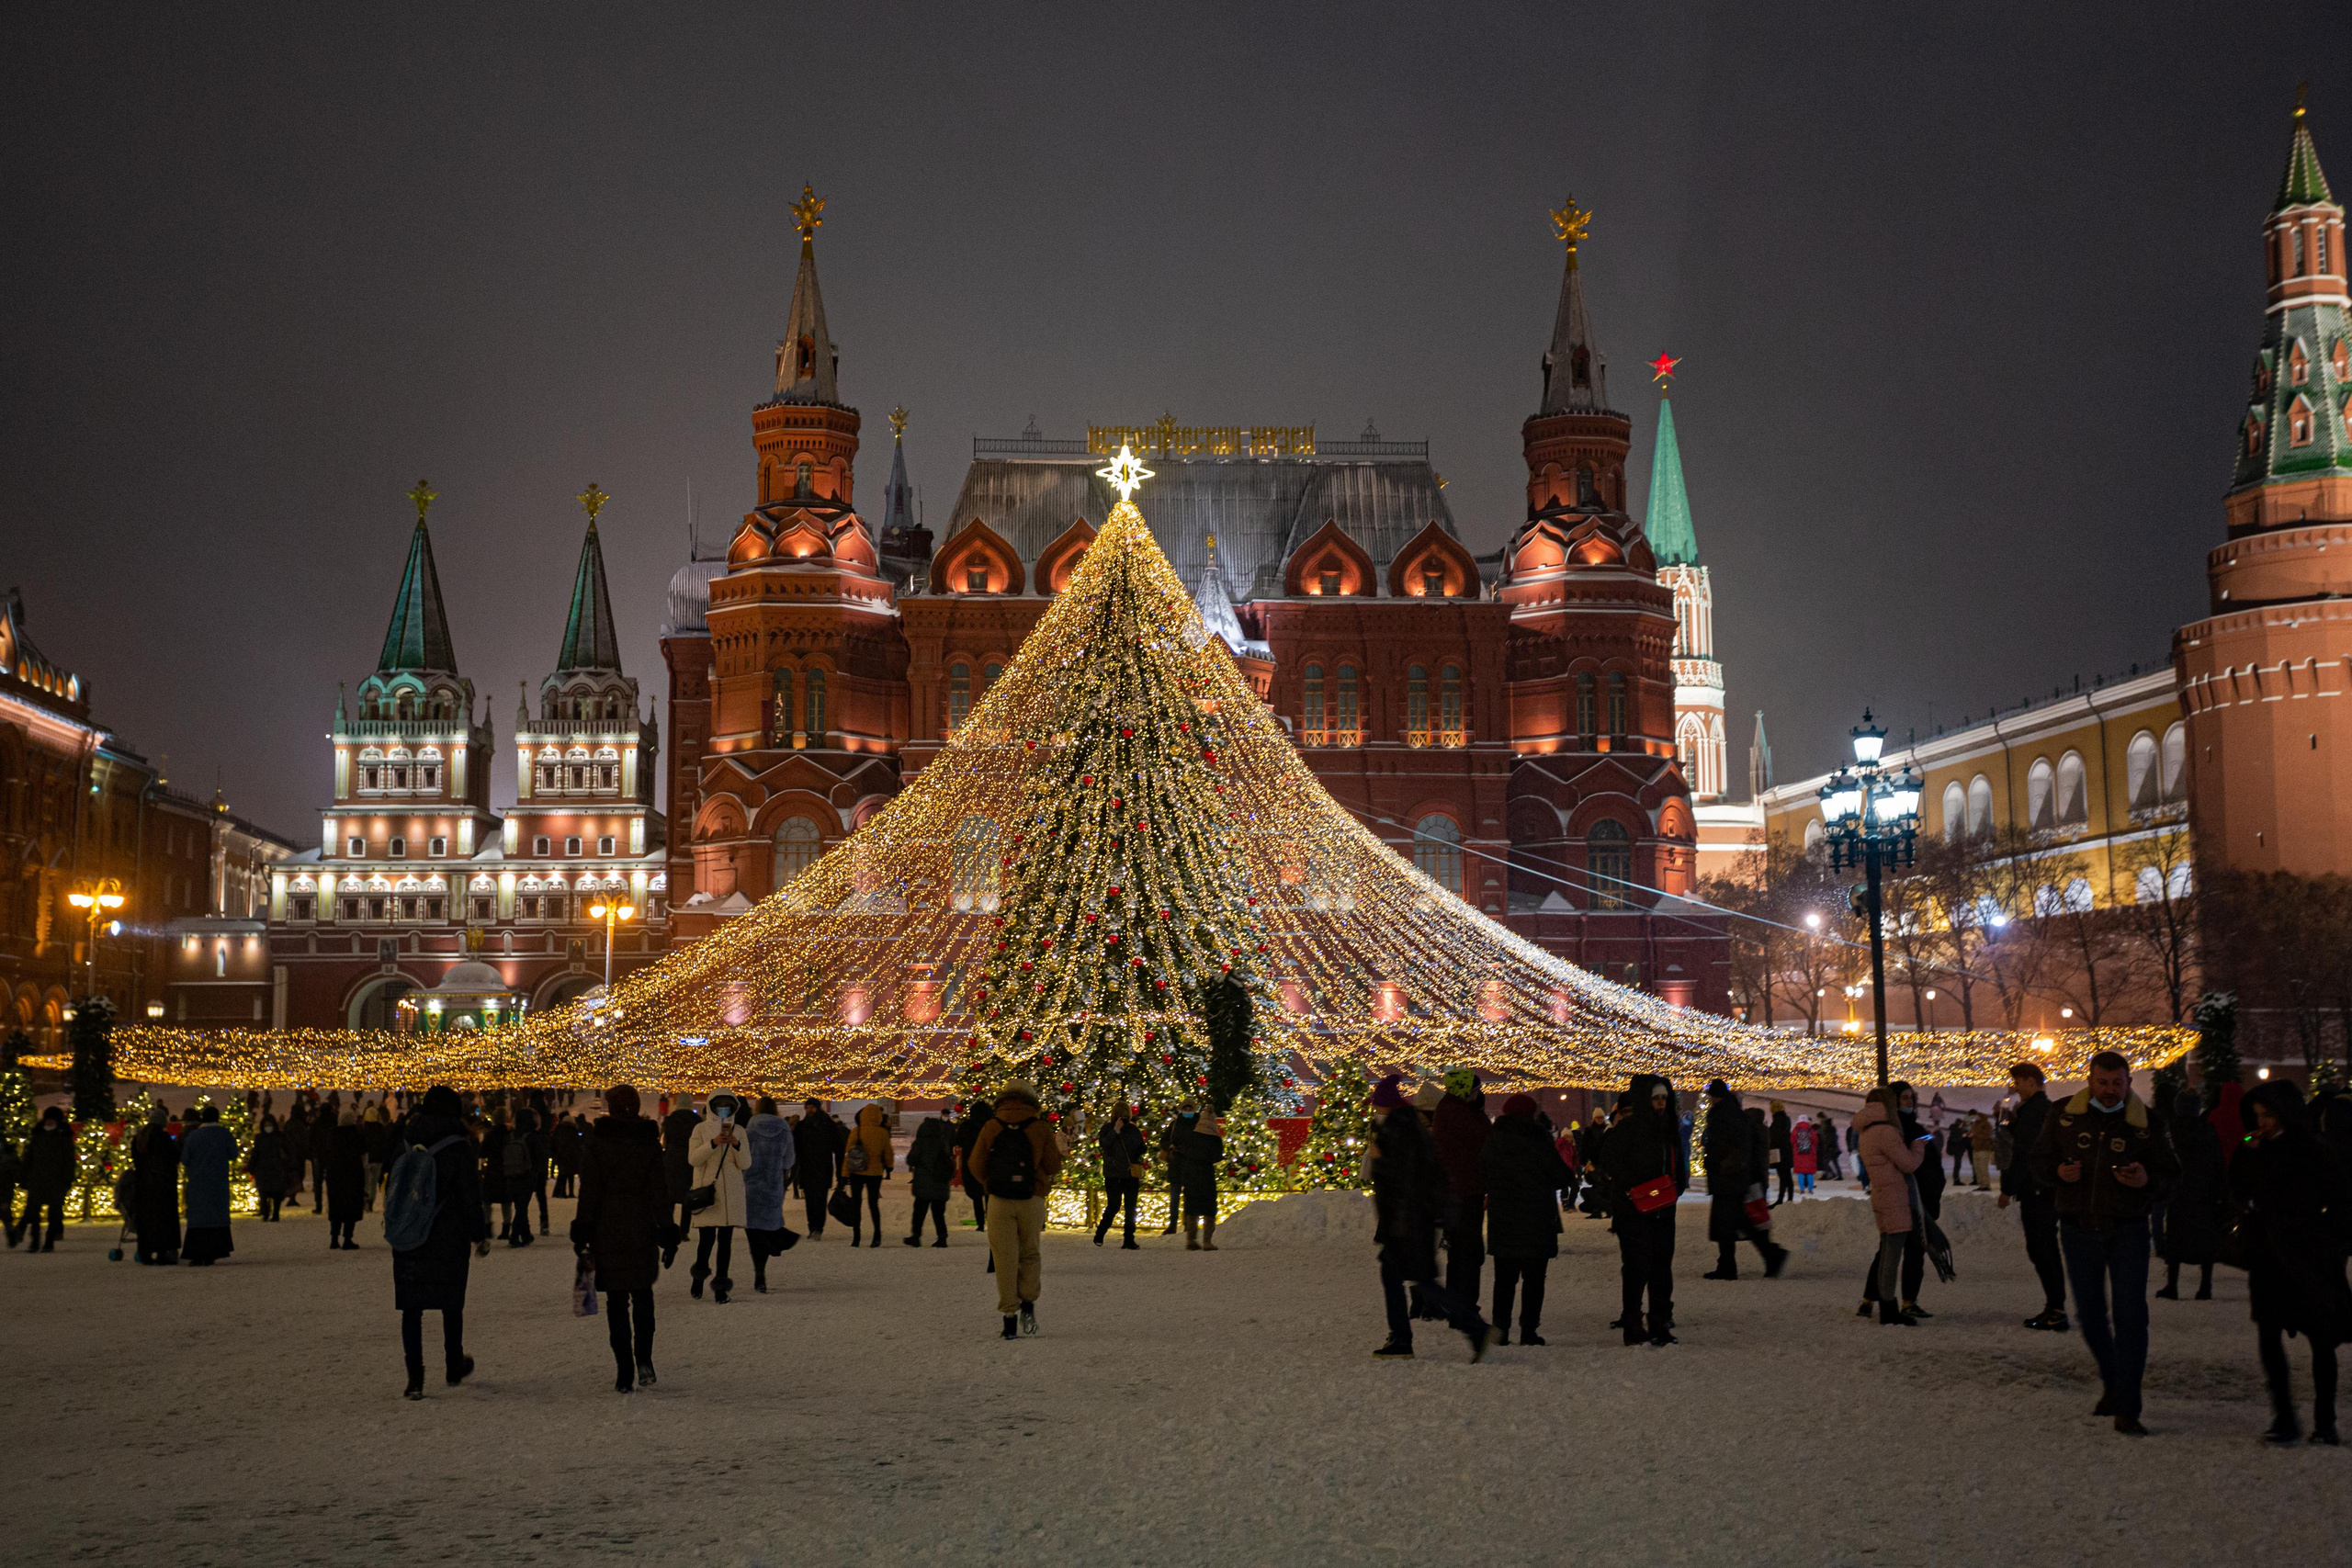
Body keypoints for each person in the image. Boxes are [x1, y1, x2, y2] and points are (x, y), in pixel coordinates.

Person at [2031, 1050, 2179, 1436]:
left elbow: (2172, 1176)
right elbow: (2039, 1162)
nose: (2110, 1089)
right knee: (2091, 1315)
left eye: (2117, 1083)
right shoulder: (2063, 1115)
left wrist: (2147, 1180)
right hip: (2078, 1229)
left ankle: (2127, 1407)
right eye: (2102, 1082)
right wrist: (2058, 1172)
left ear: (2128, 1083)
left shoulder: (2148, 1123)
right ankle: (2114, 1382)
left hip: (2128, 1230)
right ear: (2090, 1081)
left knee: (2131, 1317)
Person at [2231, 1079, 2351, 1445]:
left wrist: (2329, 1241)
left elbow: (2340, 1200)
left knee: (2320, 1339)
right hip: (2269, 1255)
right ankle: (2284, 1416)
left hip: (2309, 1255)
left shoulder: (2314, 1149)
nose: (2262, 1123)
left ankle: (2325, 1421)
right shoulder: (2255, 1148)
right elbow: (2236, 1187)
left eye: (2268, 1115)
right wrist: (2247, 1151)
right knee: (2269, 1335)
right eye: (2257, 1116)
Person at [1366, 1074, 1490, 1359]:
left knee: (1422, 1282)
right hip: (1407, 1221)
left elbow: (1404, 1182)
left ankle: (1473, 1329)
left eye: (1377, 1104)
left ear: (1386, 1104)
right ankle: (1403, 1338)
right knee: (1406, 1277)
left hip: (1407, 1222)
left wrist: (1397, 1224)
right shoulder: (1400, 1127)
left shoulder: (1399, 1131)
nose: (1375, 1108)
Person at [391, 1085, 489, 1400]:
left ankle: (415, 1378)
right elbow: (470, 1195)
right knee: (451, 1303)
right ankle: (453, 1363)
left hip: (410, 1232)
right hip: (449, 1234)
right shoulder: (459, 1146)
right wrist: (478, 1233)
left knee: (411, 1308)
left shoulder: (407, 1139)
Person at [572, 1084, 671, 1392]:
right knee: (643, 1295)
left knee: (616, 1301)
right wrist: (667, 1227)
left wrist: (583, 1229)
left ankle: (624, 1369)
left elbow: (589, 1191)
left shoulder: (598, 1142)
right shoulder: (648, 1142)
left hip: (608, 1227)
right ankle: (644, 1360)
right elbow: (659, 1191)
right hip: (641, 1225)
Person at [968, 1080, 1063, 1338]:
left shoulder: (991, 1126)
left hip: (999, 1201)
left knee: (1004, 1258)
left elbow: (975, 1164)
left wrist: (990, 1183)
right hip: (1031, 1199)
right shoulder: (1040, 1127)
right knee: (1030, 1253)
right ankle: (1028, 1304)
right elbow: (1053, 1166)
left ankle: (1009, 1318)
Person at [1481, 1093, 1571, 1346]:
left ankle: (1500, 1329)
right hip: (1536, 1219)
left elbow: (1482, 1172)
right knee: (1534, 1279)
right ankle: (1528, 1330)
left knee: (1504, 1279)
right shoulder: (1539, 1139)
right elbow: (1561, 1176)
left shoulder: (1494, 1140)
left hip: (1504, 1219)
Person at [1859, 1082, 1945, 1320]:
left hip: (1904, 1195)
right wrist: (1919, 1147)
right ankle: (1892, 1306)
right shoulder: (1891, 1130)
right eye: (1903, 1097)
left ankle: (1880, 1301)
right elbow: (1908, 1164)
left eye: (1910, 1097)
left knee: (1891, 1252)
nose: (1908, 1102)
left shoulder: (1879, 1129)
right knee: (1895, 1254)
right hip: (1907, 1197)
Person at [2000, 1061, 2071, 1332]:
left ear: (2032, 1081)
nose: (2016, 1088)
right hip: (2046, 1188)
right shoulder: (2045, 1109)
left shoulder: (2033, 1112)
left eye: (2018, 1082)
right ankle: (2055, 1306)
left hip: (2037, 1189)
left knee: (2041, 1248)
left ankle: (2056, 1309)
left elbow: (2024, 1155)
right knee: (2044, 1247)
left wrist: (2008, 1188)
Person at [1701, 1081, 1787, 1280]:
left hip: (1726, 1177)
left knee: (1728, 1222)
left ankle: (1755, 1259)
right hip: (1738, 1176)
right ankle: (1764, 1256)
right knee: (1736, 1221)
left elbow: (1718, 1146)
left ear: (1715, 1096)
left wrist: (1711, 1163)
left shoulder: (1721, 1115)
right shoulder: (1738, 1114)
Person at [1430, 1069, 1492, 1308]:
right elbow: (1483, 1137)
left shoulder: (1450, 1108)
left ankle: (1458, 1304)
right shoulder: (1458, 1112)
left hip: (1458, 1189)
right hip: (1464, 1191)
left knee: (1461, 1251)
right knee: (1469, 1252)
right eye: (1475, 1091)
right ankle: (1464, 1306)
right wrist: (1479, 1113)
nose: (1478, 1094)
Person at [2157, 1092, 2224, 1302]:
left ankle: (2172, 1286)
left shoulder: (2170, 1131)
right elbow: (2218, 1163)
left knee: (2175, 1237)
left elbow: (2162, 1161)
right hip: (2204, 1193)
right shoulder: (2207, 1130)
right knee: (2205, 1239)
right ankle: (2205, 1286)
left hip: (2178, 1192)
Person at [684, 1092, 751, 1302]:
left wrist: (736, 1145)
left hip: (730, 1193)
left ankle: (721, 1286)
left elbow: (745, 1163)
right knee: (706, 1240)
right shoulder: (700, 1129)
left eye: (727, 1105)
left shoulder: (739, 1130)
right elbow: (693, 1159)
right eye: (719, 1105)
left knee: (725, 1242)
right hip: (708, 1192)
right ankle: (699, 1276)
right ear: (711, 1106)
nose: (723, 1108)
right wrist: (713, 1143)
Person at [741, 1096, 797, 1290]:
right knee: (767, 1228)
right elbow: (789, 1160)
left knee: (753, 1231)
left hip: (751, 1187)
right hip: (773, 1186)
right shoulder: (784, 1130)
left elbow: (741, 1159)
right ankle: (762, 1270)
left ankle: (758, 1271)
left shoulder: (749, 1131)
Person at [180, 1104, 237, 1264]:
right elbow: (233, 1154)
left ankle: (197, 1253)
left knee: (199, 1217)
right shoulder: (224, 1134)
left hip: (198, 1183)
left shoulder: (193, 1136)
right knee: (216, 1216)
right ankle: (215, 1251)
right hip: (218, 1183)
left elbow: (185, 1158)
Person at [130, 1103, 182, 1266]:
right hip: (162, 1185)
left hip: (143, 1185)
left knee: (146, 1220)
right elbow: (173, 1158)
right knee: (162, 1220)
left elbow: (137, 1161)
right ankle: (162, 1252)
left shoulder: (139, 1138)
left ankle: (145, 1252)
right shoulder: (163, 1138)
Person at [17, 1106, 74, 1251]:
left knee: (53, 1214)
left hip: (56, 1181)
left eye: (52, 1120)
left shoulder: (63, 1138)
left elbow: (69, 1161)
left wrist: (67, 1180)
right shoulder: (37, 1136)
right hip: (37, 1180)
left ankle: (49, 1242)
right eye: (48, 1119)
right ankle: (35, 1241)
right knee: (33, 1213)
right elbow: (28, 1158)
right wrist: (23, 1176)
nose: (49, 1122)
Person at [1092, 1105, 1146, 1249]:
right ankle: (1100, 1233)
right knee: (1114, 1205)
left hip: (1129, 1173)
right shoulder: (1108, 1129)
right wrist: (1115, 1130)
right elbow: (1104, 1144)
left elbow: (1141, 1146)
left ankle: (1129, 1238)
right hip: (1114, 1173)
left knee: (1130, 1207)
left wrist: (1139, 1151)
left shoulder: (1133, 1129)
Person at [842, 1102, 894, 1247]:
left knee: (856, 1204)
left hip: (857, 1171)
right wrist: (889, 1166)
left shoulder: (856, 1131)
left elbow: (848, 1154)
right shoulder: (883, 1133)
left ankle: (856, 1237)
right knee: (873, 1204)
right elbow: (888, 1153)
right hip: (875, 1173)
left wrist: (844, 1174)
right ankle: (877, 1236)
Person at [906, 1110, 956, 1248]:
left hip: (924, 1182)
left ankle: (916, 1236)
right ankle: (942, 1237)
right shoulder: (943, 1142)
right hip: (940, 1182)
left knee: (919, 1211)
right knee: (939, 1213)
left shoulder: (920, 1143)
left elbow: (911, 1160)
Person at [792, 1099, 839, 1238]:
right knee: (810, 1200)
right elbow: (796, 1147)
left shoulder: (827, 1124)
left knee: (820, 1199)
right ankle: (812, 1227)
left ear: (818, 1108)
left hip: (822, 1167)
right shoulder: (801, 1126)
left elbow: (837, 1145)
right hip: (807, 1167)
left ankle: (818, 1227)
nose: (809, 1110)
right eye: (807, 1107)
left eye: (812, 1107)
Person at [326, 1105, 368, 1249]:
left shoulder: (332, 1135)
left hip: (335, 1175)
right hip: (353, 1175)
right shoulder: (356, 1135)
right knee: (351, 1207)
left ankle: (334, 1238)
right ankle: (347, 1238)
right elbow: (364, 1154)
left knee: (336, 1206)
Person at [662, 1095, 702, 1240]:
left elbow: (666, 1140)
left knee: (670, 1197)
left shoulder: (670, 1120)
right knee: (687, 1198)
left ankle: (668, 1227)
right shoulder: (697, 1121)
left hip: (672, 1161)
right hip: (689, 1161)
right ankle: (684, 1231)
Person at [952, 1101, 989, 1230]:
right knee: (990, 1195)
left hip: (971, 1162)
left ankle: (980, 1224)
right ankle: (991, 1221)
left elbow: (959, 1142)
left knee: (976, 1196)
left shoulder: (967, 1125)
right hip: (989, 1163)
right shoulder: (992, 1125)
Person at [517, 1106, 551, 1241]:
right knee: (541, 1196)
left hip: (521, 1171)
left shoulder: (516, 1136)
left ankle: (522, 1227)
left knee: (522, 1201)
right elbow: (541, 1154)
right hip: (537, 1171)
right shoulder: (538, 1137)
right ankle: (544, 1222)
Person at [1156, 1110, 1186, 1236]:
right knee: (1174, 1197)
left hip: (1189, 1166)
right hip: (1175, 1165)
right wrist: (1170, 1145)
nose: (1188, 1111)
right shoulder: (1175, 1124)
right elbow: (1163, 1141)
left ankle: (1187, 1224)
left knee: (1188, 1197)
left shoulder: (1197, 1124)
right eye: (1186, 1108)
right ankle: (1173, 1225)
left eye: (1190, 1109)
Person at [308, 1099, 336, 1214]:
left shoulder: (317, 1123)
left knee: (318, 1182)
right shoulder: (334, 1121)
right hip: (331, 1155)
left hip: (318, 1155)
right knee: (332, 1182)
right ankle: (332, 1205)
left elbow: (310, 1139)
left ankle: (318, 1205)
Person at [550, 1111, 583, 1199]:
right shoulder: (574, 1128)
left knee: (563, 1173)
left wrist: (554, 1152)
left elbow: (555, 1140)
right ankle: (571, 1192)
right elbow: (578, 1142)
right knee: (571, 1174)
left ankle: (562, 1192)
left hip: (561, 1154)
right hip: (573, 1154)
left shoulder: (560, 1128)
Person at [1769, 1101, 1795, 1204]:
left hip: (1780, 1152)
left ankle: (1783, 1199)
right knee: (1786, 1176)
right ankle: (1788, 1198)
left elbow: (1775, 1136)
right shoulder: (1786, 1119)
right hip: (1786, 1151)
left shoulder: (1777, 1120)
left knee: (1783, 1176)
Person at [1789, 1112, 1817, 1197]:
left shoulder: (1795, 1130)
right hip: (1810, 1154)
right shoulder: (1811, 1130)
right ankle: (1810, 1189)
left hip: (1798, 1154)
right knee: (1810, 1172)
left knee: (1800, 1173)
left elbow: (1792, 1141)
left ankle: (1802, 1189)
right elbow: (1815, 1141)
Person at [1969, 1111, 1996, 1191]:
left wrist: (1975, 1135)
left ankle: (1986, 1185)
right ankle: (1981, 1185)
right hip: (1976, 1149)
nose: (1974, 1118)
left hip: (1984, 1149)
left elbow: (1987, 1136)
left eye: (1976, 1116)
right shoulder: (1974, 1124)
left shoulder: (1986, 1124)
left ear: (1980, 1117)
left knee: (1983, 1168)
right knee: (1977, 1168)